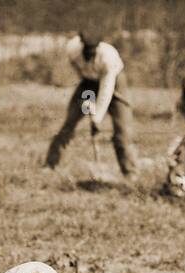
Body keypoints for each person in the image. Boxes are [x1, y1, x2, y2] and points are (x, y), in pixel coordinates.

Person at [44, 30, 138, 177]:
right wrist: (87, 100)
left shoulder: (108, 57)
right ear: (82, 44)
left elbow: (106, 91)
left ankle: (131, 173)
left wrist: (96, 118)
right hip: (88, 83)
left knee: (122, 131)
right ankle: (50, 165)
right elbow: (73, 73)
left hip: (114, 84)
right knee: (69, 124)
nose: (89, 54)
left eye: (93, 50)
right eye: (87, 50)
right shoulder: (72, 50)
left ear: (99, 46)